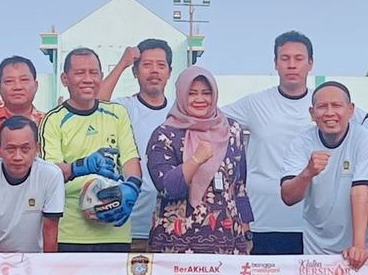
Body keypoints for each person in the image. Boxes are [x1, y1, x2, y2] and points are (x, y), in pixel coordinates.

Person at [39, 48, 143, 252]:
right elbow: (48, 175)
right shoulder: (53, 120)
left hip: (115, 231)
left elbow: (131, 160)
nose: (88, 79)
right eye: (80, 73)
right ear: (64, 79)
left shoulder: (117, 113)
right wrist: (81, 167)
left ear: (101, 76)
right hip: (71, 233)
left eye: (94, 73)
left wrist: (131, 186)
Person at [225, 30, 318, 255]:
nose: (292, 65)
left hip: (313, 223)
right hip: (262, 221)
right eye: (285, 58)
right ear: (275, 64)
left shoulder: (325, 104)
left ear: (310, 64)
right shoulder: (255, 103)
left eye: (299, 59)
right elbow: (208, 119)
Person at [145, 67, 252, 254]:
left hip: (227, 241)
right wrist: (196, 159)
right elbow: (168, 188)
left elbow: (240, 186)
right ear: (180, 94)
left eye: (206, 93)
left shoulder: (232, 129)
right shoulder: (164, 135)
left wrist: (246, 232)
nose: (200, 99)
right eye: (192, 93)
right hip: (176, 243)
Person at [279, 81, 368, 268]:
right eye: (322, 107)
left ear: (351, 110)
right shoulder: (300, 143)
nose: (330, 113)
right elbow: (288, 197)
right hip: (316, 249)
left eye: (337, 106)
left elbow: (360, 191)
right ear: (312, 113)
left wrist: (358, 246)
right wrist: (307, 173)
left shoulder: (365, 138)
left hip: (361, 248)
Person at [101, 38, 175, 251]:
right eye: (146, 65)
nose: (154, 71)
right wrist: (122, 63)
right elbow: (95, 104)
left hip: (168, 227)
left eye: (161, 65)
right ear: (135, 72)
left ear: (169, 72)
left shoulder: (179, 111)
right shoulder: (125, 107)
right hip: (127, 227)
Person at [0, 115, 64, 254]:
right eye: (10, 149)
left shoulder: (51, 174)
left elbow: (51, 232)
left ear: (37, 149)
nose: (18, 157)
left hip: (32, 257)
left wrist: (47, 270)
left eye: (25, 149)